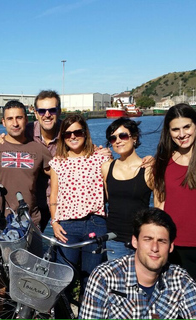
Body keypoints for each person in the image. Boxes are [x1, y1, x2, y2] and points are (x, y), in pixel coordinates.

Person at [79, 208, 196, 319]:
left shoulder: (180, 281)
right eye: (148, 239)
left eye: (162, 241)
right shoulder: (105, 277)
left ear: (170, 247)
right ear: (135, 241)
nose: (154, 248)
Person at [0, 100, 52, 255]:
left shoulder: (39, 149)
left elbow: (60, 172)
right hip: (0, 222)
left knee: (30, 270)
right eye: (10, 119)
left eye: (19, 118)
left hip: (31, 221)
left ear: (26, 120)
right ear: (3, 122)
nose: (15, 123)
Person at [49, 114, 110, 296]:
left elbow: (112, 190)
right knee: (63, 280)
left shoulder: (101, 159)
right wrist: (54, 222)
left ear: (85, 133)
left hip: (96, 223)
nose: (73, 137)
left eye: (78, 132)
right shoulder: (57, 163)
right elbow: (54, 195)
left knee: (91, 282)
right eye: (67, 134)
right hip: (67, 226)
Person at [0, 90, 61, 230]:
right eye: (42, 111)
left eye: (52, 110)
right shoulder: (18, 133)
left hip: (53, 202)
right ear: (35, 113)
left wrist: (99, 152)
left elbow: (57, 170)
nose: (47, 114)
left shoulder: (70, 133)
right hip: (13, 209)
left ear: (59, 111)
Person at [153, 103, 196, 280]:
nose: (182, 134)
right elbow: (159, 205)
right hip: (174, 246)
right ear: (168, 132)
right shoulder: (163, 162)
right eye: (175, 129)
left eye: (187, 127)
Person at [102, 117, 153, 260]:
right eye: (113, 138)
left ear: (134, 138)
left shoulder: (148, 169)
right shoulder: (106, 167)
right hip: (114, 240)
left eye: (123, 136)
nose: (118, 141)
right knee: (117, 282)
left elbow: (160, 206)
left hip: (141, 240)